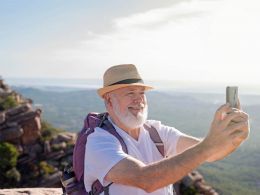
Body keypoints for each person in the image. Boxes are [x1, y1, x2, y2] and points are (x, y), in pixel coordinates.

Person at [84, 64, 249, 195]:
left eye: (142, 93)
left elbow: (212, 153)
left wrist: (234, 136)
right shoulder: (99, 141)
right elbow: (145, 179)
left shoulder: (156, 131)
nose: (139, 99)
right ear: (109, 102)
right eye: (130, 93)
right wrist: (209, 145)